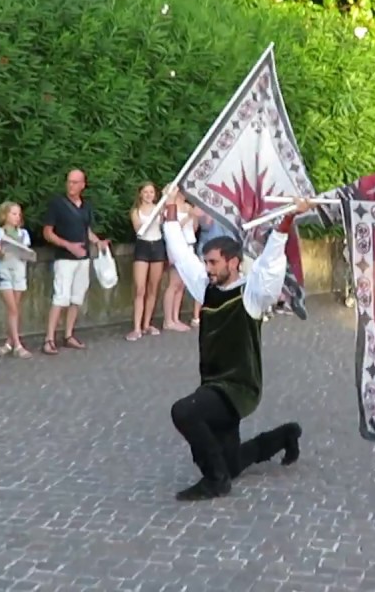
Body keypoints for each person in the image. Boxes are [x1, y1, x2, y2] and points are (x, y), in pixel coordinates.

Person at [161, 190, 309, 501]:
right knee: (231, 462)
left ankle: (216, 482)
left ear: (234, 262)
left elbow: (270, 264)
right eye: (207, 261)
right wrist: (171, 205)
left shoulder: (252, 295)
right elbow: (180, 254)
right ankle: (285, 435)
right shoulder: (206, 288)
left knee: (184, 412)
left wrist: (288, 218)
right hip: (213, 384)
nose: (208, 267)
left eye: (214, 262)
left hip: (238, 387)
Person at [42, 169, 111, 355]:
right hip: (64, 259)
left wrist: (98, 242)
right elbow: (47, 232)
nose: (71, 185)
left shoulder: (86, 206)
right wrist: (68, 245)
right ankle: (49, 338)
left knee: (77, 297)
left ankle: (68, 334)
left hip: (83, 258)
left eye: (75, 182)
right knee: (60, 297)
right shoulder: (57, 204)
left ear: (82, 185)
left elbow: (86, 230)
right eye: (69, 181)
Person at [0, 201, 33, 358]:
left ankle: (8, 343)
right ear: (5, 215)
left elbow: (26, 253)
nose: (16, 217)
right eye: (13, 214)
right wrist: (1, 249)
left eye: (18, 214)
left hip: (19, 272)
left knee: (14, 310)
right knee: (13, 308)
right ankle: (18, 345)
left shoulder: (24, 234)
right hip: (4, 273)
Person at [128, 181, 167, 340]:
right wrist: (154, 215)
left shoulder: (160, 208)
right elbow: (138, 229)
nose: (149, 195)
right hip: (143, 247)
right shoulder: (135, 211)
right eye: (146, 192)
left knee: (153, 287)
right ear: (140, 194)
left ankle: (147, 324)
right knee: (140, 288)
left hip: (157, 246)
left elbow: (167, 223)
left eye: (151, 192)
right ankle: (136, 327)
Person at [161, 195, 200, 333]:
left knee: (182, 285)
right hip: (177, 246)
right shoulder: (168, 207)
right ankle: (168, 319)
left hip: (189, 245)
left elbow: (193, 229)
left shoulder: (188, 207)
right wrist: (189, 216)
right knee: (173, 284)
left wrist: (194, 217)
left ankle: (175, 317)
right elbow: (174, 228)